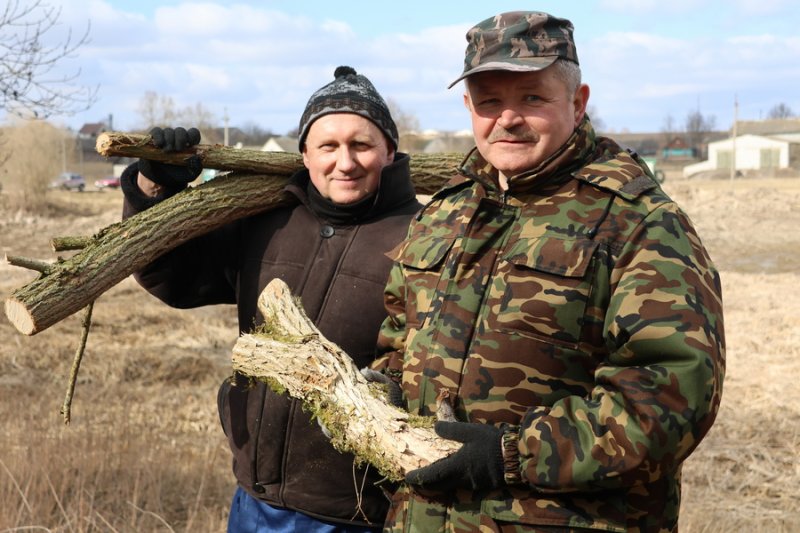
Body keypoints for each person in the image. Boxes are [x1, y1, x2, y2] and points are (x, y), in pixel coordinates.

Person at [372, 11, 725, 532]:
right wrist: (381, 390)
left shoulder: (639, 221)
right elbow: (398, 338)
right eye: (489, 101)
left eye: (532, 98)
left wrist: (509, 454)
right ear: (469, 107)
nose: (507, 118)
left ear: (577, 103)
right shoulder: (446, 211)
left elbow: (671, 396)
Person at [120, 66, 422, 532]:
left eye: (361, 145)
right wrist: (155, 190)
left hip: (358, 513)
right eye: (328, 146)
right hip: (255, 501)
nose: (345, 162)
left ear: (390, 151)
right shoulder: (266, 221)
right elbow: (175, 279)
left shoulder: (425, 240)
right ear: (304, 153)